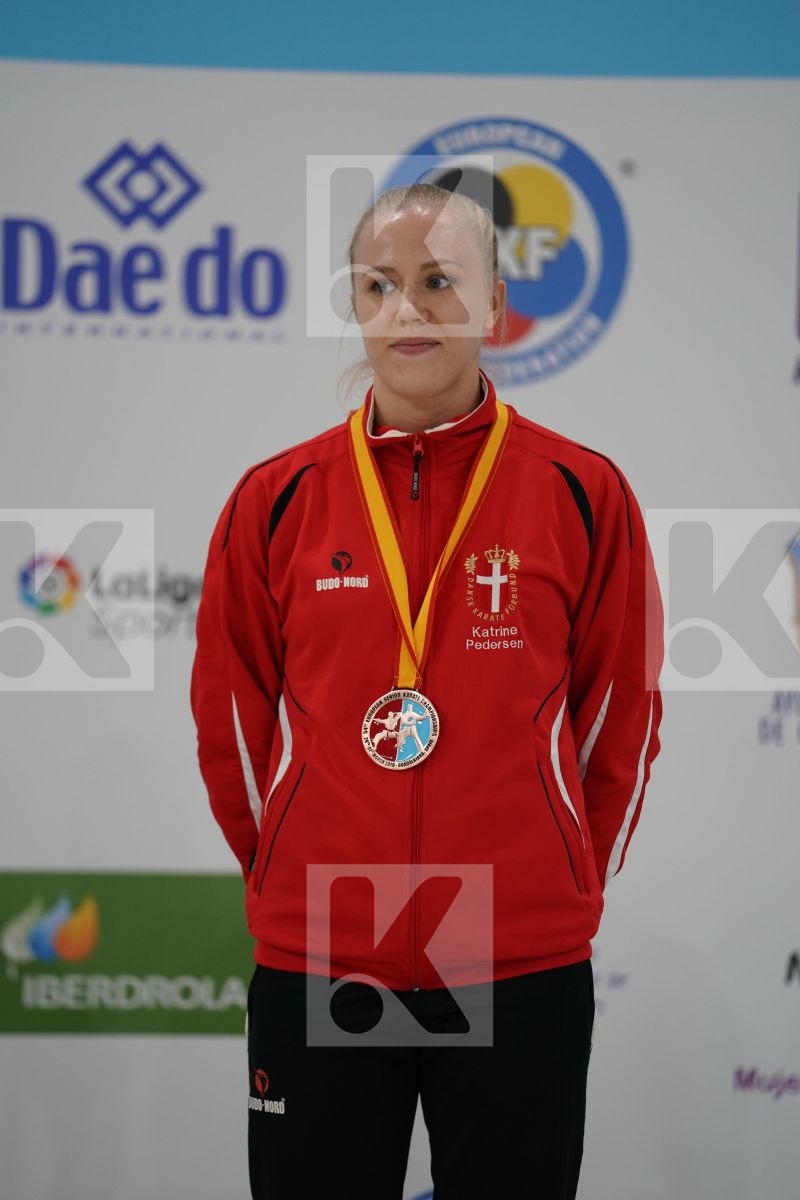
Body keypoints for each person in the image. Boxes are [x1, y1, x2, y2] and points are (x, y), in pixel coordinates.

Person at [190, 182, 664, 1199]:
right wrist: (281, 861)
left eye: (439, 282)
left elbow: (619, 711)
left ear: (493, 303)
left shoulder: (579, 492)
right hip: (329, 943)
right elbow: (229, 721)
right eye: (381, 284)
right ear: (354, 303)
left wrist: (564, 873)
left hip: (512, 952)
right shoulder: (275, 500)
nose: (408, 310)